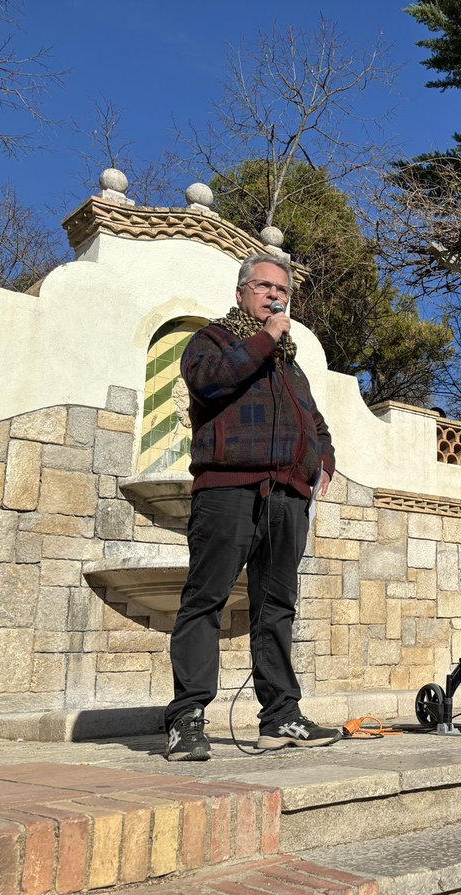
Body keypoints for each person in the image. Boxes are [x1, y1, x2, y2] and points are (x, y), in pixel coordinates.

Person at [164, 252, 340, 761]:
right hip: (227, 491)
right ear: (242, 292)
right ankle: (188, 719)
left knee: (277, 608)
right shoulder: (214, 340)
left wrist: (322, 460)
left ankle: (281, 716)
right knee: (206, 599)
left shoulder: (290, 364)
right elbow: (210, 382)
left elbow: (316, 420)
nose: (274, 296)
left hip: (287, 496)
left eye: (282, 291)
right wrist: (265, 340)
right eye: (264, 287)